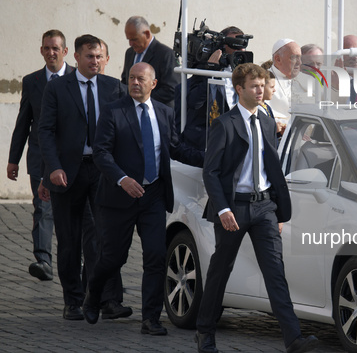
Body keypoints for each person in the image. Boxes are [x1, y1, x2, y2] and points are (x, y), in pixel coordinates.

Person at [195, 63, 318, 353]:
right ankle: (205, 332)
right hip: (233, 208)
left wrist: (278, 210)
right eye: (254, 86)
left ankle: (293, 339)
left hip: (264, 207)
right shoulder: (224, 124)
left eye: (262, 85)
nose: (261, 90)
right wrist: (223, 209)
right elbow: (210, 172)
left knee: (275, 270)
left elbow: (271, 166)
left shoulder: (265, 120)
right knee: (220, 270)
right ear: (239, 89)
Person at [82, 62, 204, 335]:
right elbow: (101, 153)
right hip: (118, 197)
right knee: (113, 258)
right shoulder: (114, 112)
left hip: (153, 196)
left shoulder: (164, 112)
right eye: (131, 79)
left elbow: (175, 148)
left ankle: (151, 319)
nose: (135, 83)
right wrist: (122, 179)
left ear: (154, 83)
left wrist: (210, 160)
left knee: (156, 257)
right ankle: (93, 294)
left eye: (141, 79)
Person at [38, 34, 131, 321]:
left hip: (103, 171)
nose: (95, 61)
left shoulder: (114, 88)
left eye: (99, 56)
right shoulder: (57, 88)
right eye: (89, 56)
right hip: (67, 173)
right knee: (69, 240)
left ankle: (109, 299)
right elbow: (46, 131)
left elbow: (125, 132)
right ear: (76, 57)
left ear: (106, 59)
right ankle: (73, 301)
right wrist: (52, 169)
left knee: (107, 237)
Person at [7, 29, 74, 281]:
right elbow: (23, 123)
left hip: (70, 159)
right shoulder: (32, 81)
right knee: (42, 208)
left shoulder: (77, 78)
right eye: (46, 48)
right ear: (41, 51)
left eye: (56, 48)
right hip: (39, 158)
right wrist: (13, 159)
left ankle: (75, 258)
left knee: (71, 210)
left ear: (65, 51)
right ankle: (43, 260)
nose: (51, 52)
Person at [174, 26, 247, 151]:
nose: (240, 49)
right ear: (222, 46)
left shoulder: (244, 74)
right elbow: (194, 102)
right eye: (234, 45)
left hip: (235, 142)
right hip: (208, 143)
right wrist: (211, 71)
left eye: (242, 45)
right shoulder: (204, 72)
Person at [121, 16, 179, 107]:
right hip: (132, 111)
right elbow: (125, 81)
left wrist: (142, 99)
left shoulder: (165, 54)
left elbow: (172, 88)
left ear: (147, 34)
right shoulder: (130, 53)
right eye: (129, 39)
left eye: (134, 39)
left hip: (157, 112)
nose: (130, 44)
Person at [269, 39, 301, 122]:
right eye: (294, 57)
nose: (299, 62)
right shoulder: (263, 80)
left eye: (300, 58)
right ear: (278, 59)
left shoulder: (304, 79)